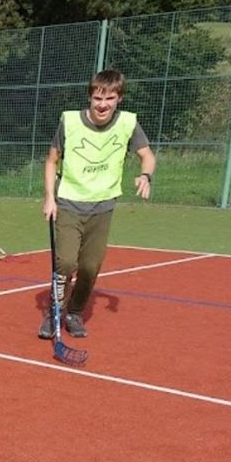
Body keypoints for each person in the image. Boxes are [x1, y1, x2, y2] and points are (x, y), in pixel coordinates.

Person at [41, 69, 155, 339]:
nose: (103, 104)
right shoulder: (70, 121)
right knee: (66, 263)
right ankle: (55, 312)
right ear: (90, 97)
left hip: (102, 207)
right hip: (69, 202)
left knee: (90, 267)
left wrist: (145, 175)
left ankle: (75, 312)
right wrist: (49, 198)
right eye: (97, 98)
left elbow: (147, 155)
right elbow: (52, 160)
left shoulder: (128, 123)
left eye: (110, 98)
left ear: (119, 98)